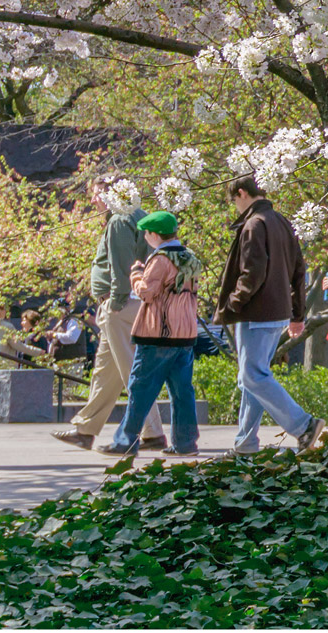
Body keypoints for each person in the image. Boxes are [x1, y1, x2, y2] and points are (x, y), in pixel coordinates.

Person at [214, 174, 321, 454]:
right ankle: (245, 443)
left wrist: (232, 304)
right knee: (252, 376)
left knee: (252, 375)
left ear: (241, 193)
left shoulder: (253, 224)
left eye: (233, 201)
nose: (234, 207)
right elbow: (300, 269)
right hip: (279, 312)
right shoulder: (282, 222)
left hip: (256, 312)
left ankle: (304, 425)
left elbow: (252, 273)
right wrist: (298, 315)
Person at [58, 180, 164, 449]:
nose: (93, 201)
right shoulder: (138, 215)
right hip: (128, 304)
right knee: (105, 371)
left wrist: (114, 303)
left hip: (120, 305)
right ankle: (85, 430)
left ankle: (152, 433)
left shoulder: (119, 220)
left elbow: (122, 267)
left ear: (109, 194)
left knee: (132, 371)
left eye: (95, 195)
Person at [97, 211, 204, 457]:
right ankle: (186, 443)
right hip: (185, 334)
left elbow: (147, 292)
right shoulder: (191, 258)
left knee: (140, 387)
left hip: (158, 334)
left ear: (155, 235)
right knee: (182, 391)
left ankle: (126, 441)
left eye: (147, 233)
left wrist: (136, 274)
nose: (145, 238)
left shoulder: (160, 259)